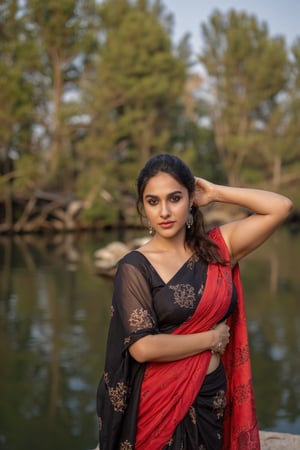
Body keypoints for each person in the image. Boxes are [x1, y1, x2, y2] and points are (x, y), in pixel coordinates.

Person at [96, 154, 292, 450]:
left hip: (211, 397)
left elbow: (281, 207)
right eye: (152, 201)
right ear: (143, 207)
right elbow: (142, 347)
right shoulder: (134, 266)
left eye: (174, 198)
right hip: (157, 405)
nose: (164, 211)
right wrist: (211, 338)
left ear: (191, 200)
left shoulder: (217, 249)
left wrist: (216, 193)